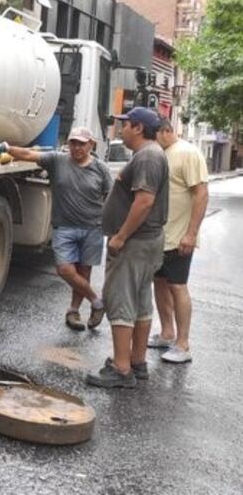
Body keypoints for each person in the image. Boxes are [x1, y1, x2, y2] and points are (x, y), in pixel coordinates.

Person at [0, 127, 113, 330]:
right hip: (64, 227)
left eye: (81, 143)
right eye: (73, 142)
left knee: (84, 271)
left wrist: (113, 227)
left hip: (92, 228)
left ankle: (73, 311)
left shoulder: (100, 168)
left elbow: (110, 196)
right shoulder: (57, 160)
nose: (76, 147)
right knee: (65, 269)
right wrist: (7, 148)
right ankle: (96, 300)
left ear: (91, 145)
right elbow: (29, 154)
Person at [86, 107, 168, 388]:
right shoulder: (151, 154)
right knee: (140, 301)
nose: (121, 129)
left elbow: (144, 202)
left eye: (126, 124)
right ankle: (136, 361)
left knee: (120, 299)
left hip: (135, 242)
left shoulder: (147, 157)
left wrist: (120, 237)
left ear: (138, 128)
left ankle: (121, 369)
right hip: (147, 242)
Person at [150, 117, 209, 363]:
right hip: (160, 236)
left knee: (177, 286)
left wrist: (191, 233)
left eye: (153, 134)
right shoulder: (161, 153)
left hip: (179, 237)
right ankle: (167, 333)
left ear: (165, 131)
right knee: (159, 283)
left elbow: (201, 194)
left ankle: (183, 344)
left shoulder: (188, 153)